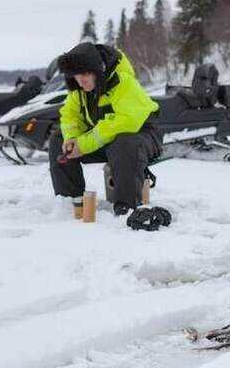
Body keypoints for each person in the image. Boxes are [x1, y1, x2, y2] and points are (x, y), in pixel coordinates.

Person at [49, 42, 170, 230]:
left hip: (142, 137)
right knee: (58, 139)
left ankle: (126, 208)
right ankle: (71, 200)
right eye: (76, 76)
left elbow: (126, 122)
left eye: (85, 74)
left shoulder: (123, 82)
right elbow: (69, 116)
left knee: (124, 142)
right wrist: (72, 138)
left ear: (98, 70)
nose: (80, 81)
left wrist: (85, 143)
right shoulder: (80, 92)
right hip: (108, 141)